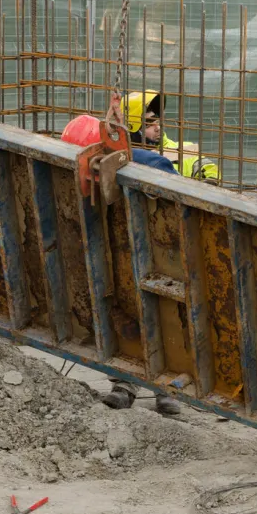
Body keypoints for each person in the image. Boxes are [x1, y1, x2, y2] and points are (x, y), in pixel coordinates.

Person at [59, 114, 182, 416]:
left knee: (163, 315)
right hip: (116, 249)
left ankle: (165, 389)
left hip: (154, 251)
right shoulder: (82, 171)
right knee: (122, 313)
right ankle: (125, 383)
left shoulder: (149, 165)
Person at [120, 90, 221, 184]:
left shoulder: (183, 149)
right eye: (148, 125)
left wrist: (209, 182)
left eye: (158, 121)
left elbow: (207, 168)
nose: (158, 128)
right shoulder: (122, 157)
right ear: (133, 131)